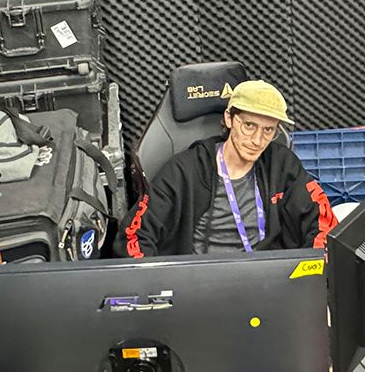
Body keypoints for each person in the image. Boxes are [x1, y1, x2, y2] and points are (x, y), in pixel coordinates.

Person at [120, 80, 337, 257]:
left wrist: (313, 272)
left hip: (267, 279)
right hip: (201, 283)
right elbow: (135, 234)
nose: (257, 140)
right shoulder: (185, 170)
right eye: (249, 125)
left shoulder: (282, 165)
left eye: (268, 130)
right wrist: (155, 285)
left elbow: (321, 220)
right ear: (229, 118)